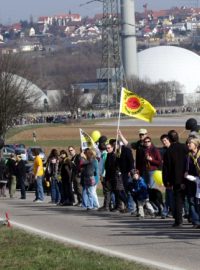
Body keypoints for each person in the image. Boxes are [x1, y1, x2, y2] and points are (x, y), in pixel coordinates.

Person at [163, 130, 188, 227]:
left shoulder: (168, 151)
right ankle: (193, 218)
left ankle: (178, 220)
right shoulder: (185, 148)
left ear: (169, 139)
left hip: (176, 179)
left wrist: (166, 181)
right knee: (190, 199)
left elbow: (166, 168)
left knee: (178, 200)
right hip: (187, 177)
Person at [184, 137, 200, 228]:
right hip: (190, 181)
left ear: (196, 145)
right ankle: (196, 221)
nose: (188, 145)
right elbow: (185, 168)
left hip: (198, 181)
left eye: (190, 143)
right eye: (188, 143)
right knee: (191, 200)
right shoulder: (188, 155)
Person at [160, 134, 174, 219]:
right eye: (162, 141)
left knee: (171, 195)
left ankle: (168, 211)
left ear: (169, 140)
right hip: (167, 175)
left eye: (165, 140)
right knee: (168, 194)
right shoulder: (164, 151)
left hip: (174, 176)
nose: (164, 142)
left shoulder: (174, 150)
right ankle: (166, 211)